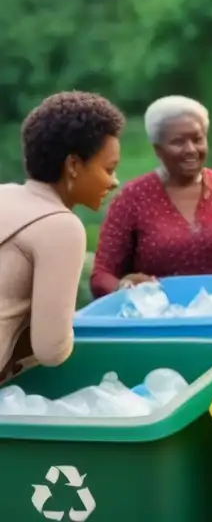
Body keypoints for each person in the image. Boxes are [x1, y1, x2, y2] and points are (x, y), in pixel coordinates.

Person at [0, 92, 124, 383]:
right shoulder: (61, 226)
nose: (114, 181)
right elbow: (51, 350)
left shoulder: (4, 194)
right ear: (73, 166)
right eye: (108, 168)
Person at [90, 96, 212, 298]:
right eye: (178, 142)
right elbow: (102, 275)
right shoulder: (131, 198)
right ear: (158, 149)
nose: (190, 150)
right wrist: (124, 288)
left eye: (197, 139)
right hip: (161, 320)